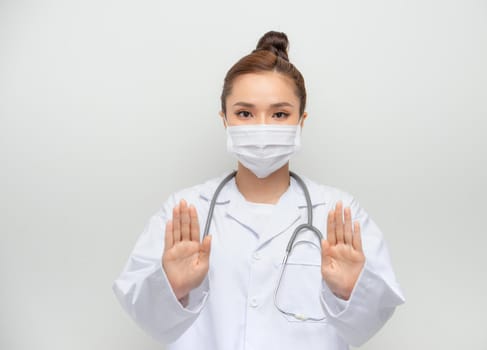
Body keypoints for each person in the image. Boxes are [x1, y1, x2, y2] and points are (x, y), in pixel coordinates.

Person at [113, 30, 405, 350]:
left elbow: (371, 321)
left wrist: (350, 292)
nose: (262, 126)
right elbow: (144, 314)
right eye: (244, 113)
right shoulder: (185, 210)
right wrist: (173, 288)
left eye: (279, 114)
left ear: (300, 121)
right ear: (224, 119)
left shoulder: (339, 213)